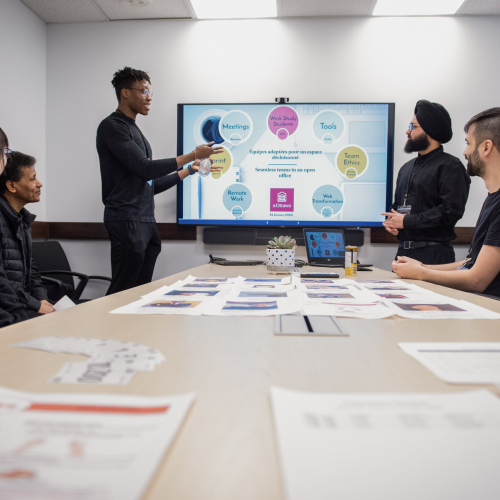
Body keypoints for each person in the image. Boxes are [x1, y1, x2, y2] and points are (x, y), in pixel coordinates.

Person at [96, 66, 223, 295]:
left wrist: (190, 170)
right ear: (125, 93)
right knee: (122, 292)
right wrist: (193, 155)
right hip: (126, 218)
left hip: (145, 220)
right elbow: (144, 169)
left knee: (140, 292)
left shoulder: (136, 131)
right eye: (144, 91)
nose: (149, 97)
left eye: (150, 92)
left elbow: (148, 185)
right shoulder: (112, 127)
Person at [393, 107, 500, 298]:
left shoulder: (450, 166)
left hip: (438, 253)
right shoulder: (492, 198)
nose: (465, 152)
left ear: (486, 147)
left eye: (468, 143)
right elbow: (470, 263)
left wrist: (421, 272)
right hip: (411, 253)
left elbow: (476, 280)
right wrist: (421, 267)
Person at [382, 100, 471, 265]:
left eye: (412, 127)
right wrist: (392, 222)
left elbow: (450, 211)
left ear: (430, 130)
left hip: (434, 256)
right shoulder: (406, 168)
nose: (407, 132)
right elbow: (398, 206)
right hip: (403, 253)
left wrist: (406, 221)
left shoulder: (450, 166)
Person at [0, 151, 55, 321]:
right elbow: (4, 283)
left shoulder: (22, 219)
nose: (39, 184)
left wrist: (42, 299)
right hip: (10, 310)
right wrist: (35, 305)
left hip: (23, 304)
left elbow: (31, 272)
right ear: (11, 186)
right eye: (32, 179)